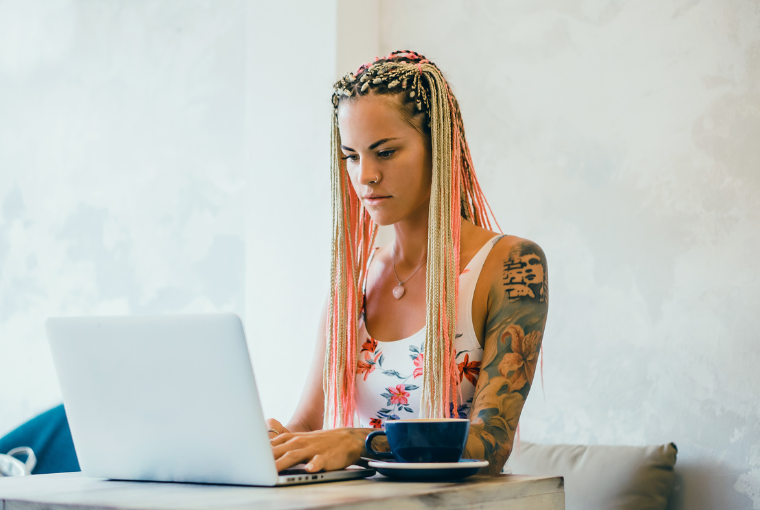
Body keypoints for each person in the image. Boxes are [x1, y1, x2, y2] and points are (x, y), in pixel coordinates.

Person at [266, 50, 548, 476]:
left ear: (439, 147)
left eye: (385, 152)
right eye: (352, 156)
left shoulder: (512, 265)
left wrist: (359, 440)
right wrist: (269, 442)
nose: (365, 176)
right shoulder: (355, 280)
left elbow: (492, 443)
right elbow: (306, 424)